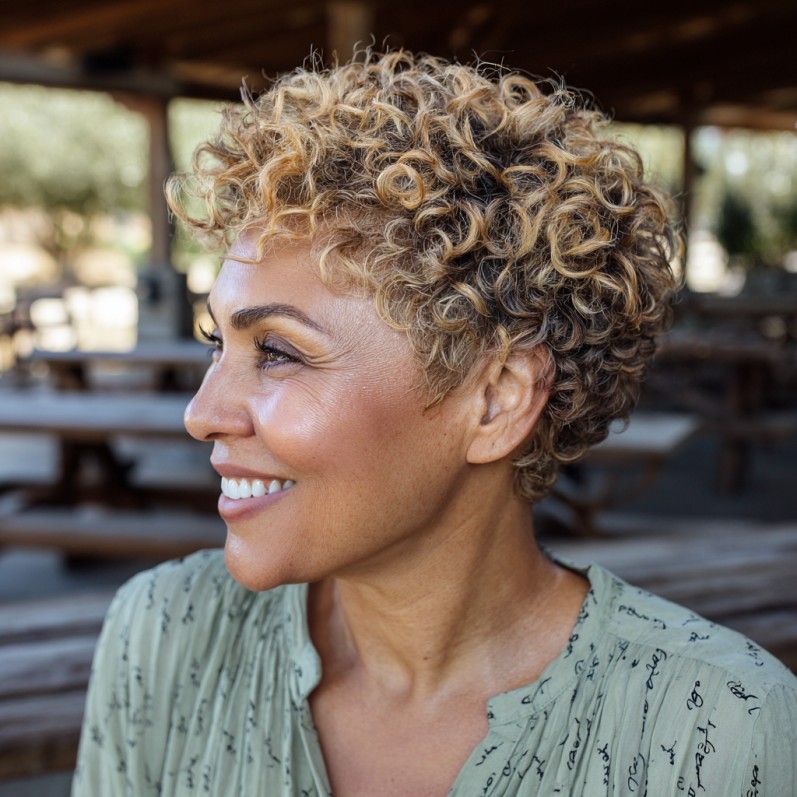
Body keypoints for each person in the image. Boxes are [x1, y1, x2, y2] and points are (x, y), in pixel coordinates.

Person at [72, 50, 796, 796]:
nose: (201, 413)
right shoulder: (163, 638)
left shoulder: (716, 732)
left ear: (496, 398)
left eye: (279, 352)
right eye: (216, 341)